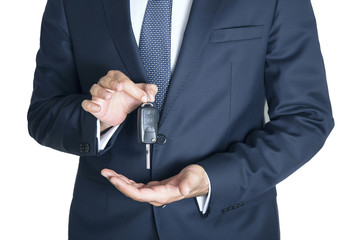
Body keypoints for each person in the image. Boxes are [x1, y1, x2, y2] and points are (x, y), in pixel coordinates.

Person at [28, 0, 334, 239]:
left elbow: (306, 117)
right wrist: (99, 119)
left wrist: (212, 179)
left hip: (230, 227)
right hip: (106, 227)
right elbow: (44, 113)